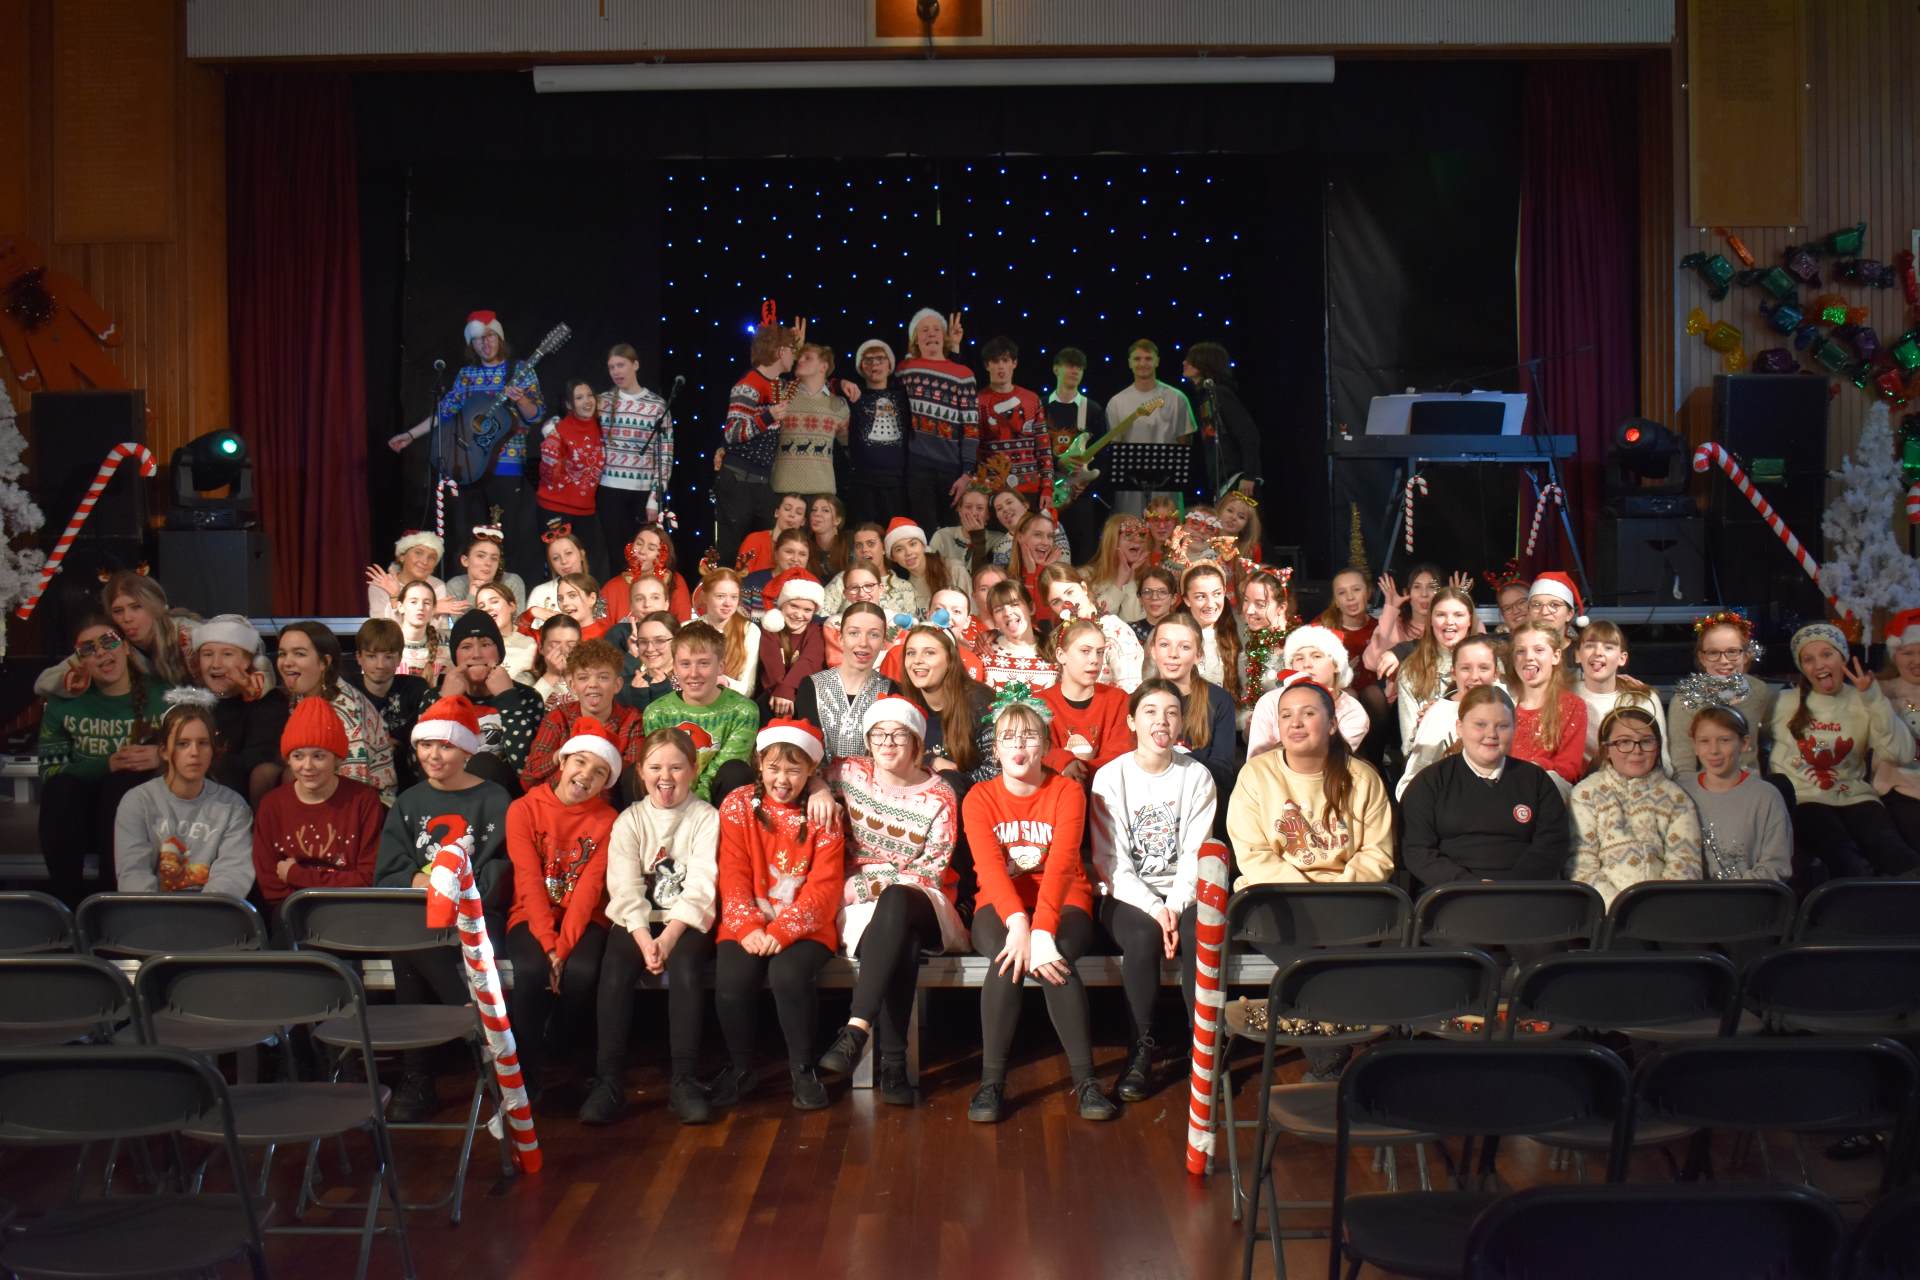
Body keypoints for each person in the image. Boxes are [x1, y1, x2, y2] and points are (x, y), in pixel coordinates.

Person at [962, 688, 1117, 1123]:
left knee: (1055, 959)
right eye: (1009, 738)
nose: (1019, 746)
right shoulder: (979, 798)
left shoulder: (1067, 791)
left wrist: (1044, 929)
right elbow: (990, 870)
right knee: (1007, 957)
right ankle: (991, 1083)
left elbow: (1063, 865)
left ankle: (1086, 1082)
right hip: (1000, 902)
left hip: (1064, 898)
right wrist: (1018, 924)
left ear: (1046, 744)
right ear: (995, 748)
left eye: (1029, 736)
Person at [816, 697, 968, 1105]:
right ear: (868, 740)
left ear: (917, 743)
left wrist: (868, 885)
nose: (887, 742)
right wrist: (818, 790)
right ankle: (895, 1066)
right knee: (901, 940)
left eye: (899, 735)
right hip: (862, 905)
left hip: (923, 897)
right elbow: (811, 773)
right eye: (879, 734)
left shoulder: (939, 794)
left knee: (898, 900)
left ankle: (856, 1029)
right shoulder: (848, 773)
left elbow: (930, 870)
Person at [374, 694, 515, 1122]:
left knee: (409, 950)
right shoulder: (409, 802)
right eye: (426, 745)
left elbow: (500, 871)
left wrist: (456, 892)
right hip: (419, 915)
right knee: (407, 943)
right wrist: (425, 883)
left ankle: (420, 1075)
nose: (434, 755)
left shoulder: (494, 799)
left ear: (467, 750)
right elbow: (389, 871)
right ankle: (471, 1029)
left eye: (446, 745)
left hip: (475, 916)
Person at [1091, 678, 1215, 1100]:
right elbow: (1110, 861)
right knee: (1143, 935)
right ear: (1132, 721)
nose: (1161, 721)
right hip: (1126, 894)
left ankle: (1203, 1049)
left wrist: (1175, 907)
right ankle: (1141, 1050)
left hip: (1185, 892)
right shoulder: (1111, 777)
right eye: (1150, 712)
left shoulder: (1196, 776)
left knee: (1202, 931)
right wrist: (1155, 908)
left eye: (1171, 713)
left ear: (1181, 722)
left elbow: (1196, 854)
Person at [713, 719, 844, 1111]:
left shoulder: (823, 814)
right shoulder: (737, 805)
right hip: (748, 919)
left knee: (788, 975)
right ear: (759, 764)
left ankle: (802, 1069)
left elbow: (824, 888)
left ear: (811, 771)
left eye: (793, 770)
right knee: (732, 978)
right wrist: (748, 926)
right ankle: (741, 1068)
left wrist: (782, 930)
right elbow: (732, 873)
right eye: (773, 768)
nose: (782, 779)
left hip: (806, 926)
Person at [598, 727, 722, 1124]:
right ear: (640, 771)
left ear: (693, 769)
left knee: (686, 969)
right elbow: (624, 886)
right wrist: (642, 938)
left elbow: (701, 885)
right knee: (615, 968)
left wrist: (667, 939)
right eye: (655, 767)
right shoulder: (630, 820)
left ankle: (684, 1080)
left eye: (676, 767)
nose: (665, 777)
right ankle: (609, 1082)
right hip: (638, 920)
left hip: (683, 921)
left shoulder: (705, 817)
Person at [504, 717, 618, 1111]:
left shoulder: (608, 820)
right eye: (580, 762)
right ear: (563, 761)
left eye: (599, 772)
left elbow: (589, 890)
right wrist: (548, 946)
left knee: (582, 971)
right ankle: (525, 1071)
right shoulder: (523, 809)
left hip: (583, 918)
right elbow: (528, 880)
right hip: (531, 913)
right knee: (531, 970)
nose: (586, 775)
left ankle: (564, 1057)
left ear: (605, 783)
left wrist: (563, 948)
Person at [387, 312, 545, 577]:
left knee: (508, 536)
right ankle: (467, 591)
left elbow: (535, 414)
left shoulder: (519, 370)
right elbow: (445, 410)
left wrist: (520, 400)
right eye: (478, 339)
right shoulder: (467, 375)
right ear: (471, 345)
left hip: (506, 467)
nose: (485, 343)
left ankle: (507, 591)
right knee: (467, 535)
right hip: (470, 466)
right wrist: (411, 435)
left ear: (499, 337)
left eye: (490, 336)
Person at [1771, 622, 1920, 882]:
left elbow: (1901, 753)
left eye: (1827, 654)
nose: (1819, 665)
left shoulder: (1863, 698)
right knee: (1845, 857)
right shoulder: (1783, 702)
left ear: (1843, 658)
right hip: (1806, 799)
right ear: (1802, 667)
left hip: (1856, 797)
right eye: (1808, 659)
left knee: (1896, 856)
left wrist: (1873, 699)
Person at [36, 615, 170, 904]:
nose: (100, 653)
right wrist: (106, 764)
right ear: (80, 660)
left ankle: (113, 904)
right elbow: (49, 771)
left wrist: (162, 756)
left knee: (120, 785)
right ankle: (67, 906)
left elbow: (198, 752)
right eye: (88, 649)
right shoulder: (64, 701)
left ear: (126, 648)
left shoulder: (163, 695)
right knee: (61, 789)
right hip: (80, 813)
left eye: (109, 642)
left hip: (143, 813)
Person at [1226, 673, 1394, 889]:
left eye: (1308, 713)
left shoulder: (1363, 778)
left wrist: (1334, 895)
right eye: (1286, 715)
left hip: (1348, 895)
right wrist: (1303, 895)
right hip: (1275, 892)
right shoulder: (1256, 775)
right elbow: (1253, 853)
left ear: (1332, 724)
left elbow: (1376, 854)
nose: (1295, 723)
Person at [1399, 685, 1571, 893]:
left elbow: (1552, 846)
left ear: (1514, 729)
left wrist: (1507, 888)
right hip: (1450, 895)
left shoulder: (1536, 781)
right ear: (1459, 727)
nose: (1491, 734)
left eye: (1502, 726)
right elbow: (1417, 851)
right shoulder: (1429, 782)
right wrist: (1470, 885)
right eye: (1480, 725)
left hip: (1524, 894)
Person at [252, 698, 386, 922]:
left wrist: (297, 875)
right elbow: (270, 885)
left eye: (318, 756)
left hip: (353, 912)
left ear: (337, 759)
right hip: (292, 915)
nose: (307, 766)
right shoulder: (272, 805)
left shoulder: (363, 801)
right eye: (298, 756)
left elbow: (367, 878)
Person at [113, 692, 254, 897]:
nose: (194, 752)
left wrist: (199, 912)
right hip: (150, 912)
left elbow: (233, 875)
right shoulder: (137, 802)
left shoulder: (234, 807)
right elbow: (133, 874)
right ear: (163, 751)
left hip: (212, 912)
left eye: (203, 743)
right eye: (183, 744)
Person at [1570, 707, 1702, 906]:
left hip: (1665, 910)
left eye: (1646, 741)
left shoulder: (1676, 798)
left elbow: (1686, 864)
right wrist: (1618, 908)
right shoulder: (1585, 794)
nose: (1636, 750)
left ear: (1658, 746)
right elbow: (1581, 866)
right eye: (1624, 742)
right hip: (1604, 912)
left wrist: (1656, 909)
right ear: (1607, 749)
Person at [274, 622, 397, 806]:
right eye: (282, 654)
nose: (287, 662)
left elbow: (355, 784)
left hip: (366, 804)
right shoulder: (300, 694)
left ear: (324, 662)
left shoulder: (346, 709)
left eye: (299, 654)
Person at [643, 621, 761, 804]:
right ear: (674, 667)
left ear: (720, 666)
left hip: (717, 799)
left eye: (704, 663)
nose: (693, 673)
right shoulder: (656, 712)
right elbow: (660, 768)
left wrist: (696, 806)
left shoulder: (743, 711)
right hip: (670, 797)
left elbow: (727, 762)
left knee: (736, 771)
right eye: (685, 664)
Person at [31, 571, 198, 698]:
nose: (127, 618)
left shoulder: (188, 633)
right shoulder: (113, 644)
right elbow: (42, 683)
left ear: (155, 606)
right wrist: (72, 679)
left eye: (136, 607)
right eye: (118, 611)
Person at [1679, 705, 1793, 882]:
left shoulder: (1766, 797)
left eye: (1724, 740)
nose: (1714, 750)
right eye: (1704, 741)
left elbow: (1776, 866)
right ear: (1695, 745)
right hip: (1689, 895)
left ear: (1744, 743)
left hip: (1746, 895)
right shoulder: (1680, 792)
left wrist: (1733, 891)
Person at [716, 321, 798, 566]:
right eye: (792, 350)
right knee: (731, 553)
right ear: (780, 351)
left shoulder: (777, 385)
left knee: (766, 550)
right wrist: (768, 417)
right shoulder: (748, 385)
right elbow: (733, 433)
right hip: (738, 481)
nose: (795, 356)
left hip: (761, 482)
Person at [520, 639, 647, 794]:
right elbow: (528, 779)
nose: (593, 684)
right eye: (583, 678)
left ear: (617, 685)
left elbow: (632, 783)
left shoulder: (633, 721)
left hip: (607, 806)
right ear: (572, 685)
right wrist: (562, 754)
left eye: (603, 677)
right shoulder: (558, 717)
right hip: (554, 802)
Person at [893, 308, 979, 534]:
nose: (931, 333)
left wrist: (967, 473)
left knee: (954, 534)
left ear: (944, 336)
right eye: (924, 330)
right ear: (915, 339)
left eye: (936, 329)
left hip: (952, 468)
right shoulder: (905, 370)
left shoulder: (964, 374)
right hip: (917, 466)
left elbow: (971, 427)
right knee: (924, 533)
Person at [440, 610, 548, 787]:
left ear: (499, 653)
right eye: (466, 647)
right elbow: (427, 764)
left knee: (484, 763)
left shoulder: (527, 696)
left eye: (485, 644)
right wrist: (446, 704)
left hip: (503, 793)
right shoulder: (436, 696)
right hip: (448, 792)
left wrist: (508, 699)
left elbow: (527, 770)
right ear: (455, 656)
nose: (476, 654)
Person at [897, 624, 999, 804]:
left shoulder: (980, 702)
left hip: (975, 804)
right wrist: (930, 761)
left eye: (929, 653)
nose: (917, 660)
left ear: (950, 659)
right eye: (911, 653)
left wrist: (951, 780)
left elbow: (996, 772)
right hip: (915, 806)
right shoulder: (903, 705)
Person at [1394, 634, 1505, 799]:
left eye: (1484, 668)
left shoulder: (1510, 706)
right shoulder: (1438, 715)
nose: (1475, 676)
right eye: (1466, 668)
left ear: (1496, 673)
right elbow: (1413, 779)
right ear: (1454, 673)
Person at [594, 343, 673, 575]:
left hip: (642, 492)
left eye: (621, 365)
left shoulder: (657, 405)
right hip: (609, 489)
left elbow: (665, 454)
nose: (616, 372)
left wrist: (655, 497)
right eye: (611, 367)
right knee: (615, 554)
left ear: (635, 365)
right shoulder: (602, 402)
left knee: (643, 554)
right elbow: (578, 422)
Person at [195, 614, 290, 806]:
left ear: (249, 661)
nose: (215, 664)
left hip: (240, 802)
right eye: (207, 654)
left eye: (227, 654)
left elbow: (256, 761)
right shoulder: (193, 703)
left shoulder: (270, 703)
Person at [1669, 611, 1776, 775]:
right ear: (1702, 658)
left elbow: (1772, 735)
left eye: (1732, 652)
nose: (1724, 660)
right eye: (1713, 653)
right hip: (1706, 786)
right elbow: (1683, 766)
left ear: (1745, 655)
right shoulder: (1685, 700)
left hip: (1751, 783)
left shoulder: (1759, 691)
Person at [1147, 613, 1238, 799]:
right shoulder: (1139, 700)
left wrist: (1174, 760)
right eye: (1164, 645)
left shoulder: (1219, 700)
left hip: (1200, 800)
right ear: (1153, 651)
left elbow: (1224, 773)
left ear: (1198, 655)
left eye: (1185, 647)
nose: (1173, 654)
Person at [1105, 339, 1195, 516]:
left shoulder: (1177, 398)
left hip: (1166, 484)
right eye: (1137, 359)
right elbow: (1116, 446)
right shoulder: (1116, 402)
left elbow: (1185, 442)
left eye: (1148, 358)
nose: (1143, 363)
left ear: (1157, 361)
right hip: (1130, 487)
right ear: (1129, 363)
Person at [1249, 624, 1367, 757]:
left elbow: (1324, 758)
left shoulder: (1353, 712)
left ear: (1337, 665)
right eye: (1299, 658)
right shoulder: (1269, 702)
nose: (1306, 665)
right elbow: (1255, 761)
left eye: (1317, 656)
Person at [794, 602, 892, 760]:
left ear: (883, 642)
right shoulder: (812, 686)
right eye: (854, 633)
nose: (863, 643)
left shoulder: (892, 690)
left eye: (874, 635)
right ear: (840, 639)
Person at [1040, 619, 1132, 784]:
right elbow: (1039, 752)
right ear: (1061, 655)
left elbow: (1120, 756)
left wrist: (1078, 767)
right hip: (1055, 794)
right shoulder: (1039, 704)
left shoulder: (1119, 700)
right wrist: (1064, 763)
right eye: (1085, 651)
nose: (1095, 660)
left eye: (1100, 652)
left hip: (1105, 792)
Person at [535, 379, 610, 581]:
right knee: (559, 566)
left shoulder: (602, 426)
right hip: (555, 508)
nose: (587, 401)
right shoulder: (558, 430)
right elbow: (548, 474)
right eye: (579, 397)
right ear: (569, 404)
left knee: (589, 567)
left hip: (586, 511)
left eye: (590, 395)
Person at [1574, 620, 1672, 773]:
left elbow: (1662, 758)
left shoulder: (1643, 698)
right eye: (1589, 646)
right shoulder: (1564, 696)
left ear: (1622, 658)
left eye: (1608, 647)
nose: (1598, 652)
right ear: (1578, 655)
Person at [347, 619, 431, 792]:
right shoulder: (347, 688)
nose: (380, 665)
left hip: (408, 783)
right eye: (371, 656)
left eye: (388, 657)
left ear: (399, 658)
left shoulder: (415, 688)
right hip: (357, 782)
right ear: (359, 658)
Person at [1043, 346, 1110, 559]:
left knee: (1083, 554)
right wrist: (1058, 463)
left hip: (1080, 496)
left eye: (1079, 368)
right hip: (1047, 493)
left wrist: (1087, 482)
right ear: (1056, 369)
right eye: (1070, 365)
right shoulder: (1041, 406)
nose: (1075, 371)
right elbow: (1033, 449)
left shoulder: (1092, 409)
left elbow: (1104, 456)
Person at [1393, 587, 1476, 756]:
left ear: (1470, 620)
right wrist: (1426, 724)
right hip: (1430, 761)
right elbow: (1409, 747)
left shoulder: (1488, 664)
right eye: (1441, 615)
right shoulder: (1411, 670)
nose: (1449, 622)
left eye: (1458, 615)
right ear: (1430, 620)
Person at [837, 338, 909, 527]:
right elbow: (825, 383)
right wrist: (841, 382)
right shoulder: (854, 396)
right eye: (868, 360)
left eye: (880, 359)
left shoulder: (903, 396)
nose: (874, 364)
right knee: (863, 533)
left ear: (890, 365)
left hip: (896, 482)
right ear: (861, 367)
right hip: (862, 482)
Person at [1040, 565, 1146, 692]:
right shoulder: (1058, 638)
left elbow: (1131, 689)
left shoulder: (1113, 630)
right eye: (1056, 601)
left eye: (1070, 592)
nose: (1067, 604)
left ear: (1084, 588)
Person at [1508, 621, 1588, 789]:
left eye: (1539, 650)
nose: (1529, 657)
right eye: (1521, 651)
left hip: (1546, 790)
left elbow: (1569, 768)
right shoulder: (1503, 704)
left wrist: (1535, 767)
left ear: (1556, 656)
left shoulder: (1572, 706)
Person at [1182, 342, 1262, 501]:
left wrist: (1250, 475)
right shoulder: (1203, 397)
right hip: (1221, 481)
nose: (1185, 363)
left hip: (1237, 479)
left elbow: (1248, 434)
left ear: (1204, 363)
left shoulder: (1219, 393)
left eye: (1190, 360)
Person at [973, 335, 1047, 501]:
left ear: (1014, 363)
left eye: (1005, 360)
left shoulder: (1032, 399)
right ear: (987, 365)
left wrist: (1047, 487)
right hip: (992, 488)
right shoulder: (978, 402)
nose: (1001, 367)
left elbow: (1043, 446)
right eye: (995, 361)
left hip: (1029, 487)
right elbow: (973, 449)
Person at [773, 344, 846, 499]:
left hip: (822, 494)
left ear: (823, 367)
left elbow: (851, 446)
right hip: (782, 491)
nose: (800, 360)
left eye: (808, 358)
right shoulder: (781, 395)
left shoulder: (838, 405)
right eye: (799, 357)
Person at [757, 569, 829, 719]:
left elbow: (809, 662)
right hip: (773, 693)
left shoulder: (817, 632)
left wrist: (787, 689)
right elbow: (772, 665)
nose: (799, 614)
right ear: (782, 605)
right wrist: (783, 692)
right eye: (794, 606)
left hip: (803, 693)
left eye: (807, 610)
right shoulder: (771, 628)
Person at [1360, 563, 1441, 680]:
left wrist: (1456, 603)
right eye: (1417, 587)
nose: (1424, 594)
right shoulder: (1395, 624)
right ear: (1406, 592)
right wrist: (1390, 610)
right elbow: (1371, 663)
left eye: (1431, 587)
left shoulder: (1445, 626)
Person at [980, 580, 1058, 690]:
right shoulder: (984, 652)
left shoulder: (1056, 652)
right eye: (998, 609)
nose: (1007, 613)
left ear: (1031, 608)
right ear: (994, 620)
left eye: (1014, 604)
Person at [365, 530, 454, 625]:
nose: (424, 561)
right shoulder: (382, 584)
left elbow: (440, 629)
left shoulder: (437, 586)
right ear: (402, 556)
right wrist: (431, 610)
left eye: (432, 557)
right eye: (418, 553)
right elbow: (382, 629)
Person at [1083, 514, 1152, 624]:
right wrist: (1119, 583)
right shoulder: (1086, 576)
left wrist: (1130, 580)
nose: (1137, 540)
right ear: (1112, 541)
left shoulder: (1149, 579)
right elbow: (1097, 620)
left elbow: (1134, 623)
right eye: (1128, 534)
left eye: (1142, 534)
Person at [882, 516, 958, 615]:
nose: (908, 552)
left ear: (923, 545)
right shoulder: (905, 588)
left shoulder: (953, 569)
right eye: (899, 549)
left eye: (912, 544)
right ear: (893, 558)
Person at [930, 486, 1006, 586]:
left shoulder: (999, 540)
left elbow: (984, 580)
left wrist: (978, 536)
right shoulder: (942, 536)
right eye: (968, 507)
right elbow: (931, 574)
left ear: (987, 515)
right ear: (959, 510)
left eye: (980, 508)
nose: (973, 513)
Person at [442, 526, 528, 613]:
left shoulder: (511, 582)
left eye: (494, 558)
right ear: (465, 561)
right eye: (480, 556)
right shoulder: (456, 585)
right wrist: (472, 597)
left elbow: (518, 619)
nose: (488, 563)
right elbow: (458, 621)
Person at [521, 524, 593, 626]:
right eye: (555, 558)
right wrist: (532, 612)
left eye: (568, 553)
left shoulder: (596, 588)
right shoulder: (540, 593)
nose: (564, 561)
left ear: (582, 554)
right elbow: (524, 632)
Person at [616, 611, 681, 716]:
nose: (650, 649)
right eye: (643, 641)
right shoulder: (624, 686)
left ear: (677, 641)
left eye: (659, 641)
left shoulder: (691, 683)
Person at [1005, 510, 1065, 622]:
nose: (1046, 542)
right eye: (1038, 535)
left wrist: (1037, 572)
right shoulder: (1006, 577)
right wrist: (1033, 573)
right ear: (1020, 537)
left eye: (1050, 536)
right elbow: (1027, 619)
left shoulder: (1061, 577)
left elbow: (1045, 622)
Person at [735, 492, 810, 578]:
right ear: (777, 512)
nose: (792, 515)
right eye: (787, 509)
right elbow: (739, 577)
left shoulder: (805, 547)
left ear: (803, 521)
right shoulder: (754, 540)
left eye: (798, 513)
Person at [473, 584, 537, 681]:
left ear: (512, 606)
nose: (487, 608)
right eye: (482, 606)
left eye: (494, 601)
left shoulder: (530, 644)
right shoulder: (475, 648)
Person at [523, 614, 582, 708]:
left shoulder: (592, 679)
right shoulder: (525, 678)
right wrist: (552, 674)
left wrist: (568, 675)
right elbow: (524, 712)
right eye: (555, 645)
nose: (564, 650)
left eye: (571, 645)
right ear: (541, 648)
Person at [1527, 571, 1586, 640]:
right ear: (1528, 611)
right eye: (1537, 605)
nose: (1544, 612)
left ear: (1569, 614)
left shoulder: (1581, 647)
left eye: (1554, 605)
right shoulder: (1517, 646)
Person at [806, 495, 851, 581]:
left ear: (837, 520)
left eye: (825, 510)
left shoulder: (850, 543)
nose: (817, 514)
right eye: (814, 510)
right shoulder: (805, 545)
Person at [1132, 565, 1180, 645]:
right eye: (1147, 592)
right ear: (1140, 598)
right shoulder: (1129, 631)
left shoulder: (1185, 630)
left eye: (1162, 592)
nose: (1154, 597)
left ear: (1173, 598)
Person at [1215, 489, 1264, 564]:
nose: (1233, 517)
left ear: (1246, 525)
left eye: (1241, 517)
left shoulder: (1252, 549)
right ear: (1220, 511)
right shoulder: (1205, 536)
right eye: (1230, 511)